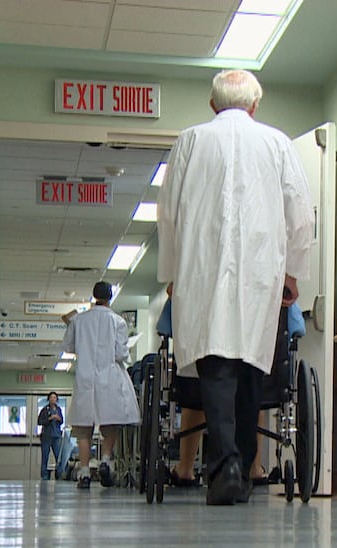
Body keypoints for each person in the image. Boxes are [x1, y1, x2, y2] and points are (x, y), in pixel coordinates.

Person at [157, 68, 313, 505]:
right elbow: (300, 214)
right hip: (260, 272)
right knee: (251, 367)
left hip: (203, 271)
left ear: (212, 104)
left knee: (216, 365)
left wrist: (172, 272)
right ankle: (241, 466)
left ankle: (225, 464)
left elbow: (168, 212)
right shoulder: (278, 143)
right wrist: (293, 272)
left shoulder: (190, 140)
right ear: (255, 104)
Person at [63, 281, 141, 489]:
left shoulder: (78, 320)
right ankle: (105, 460)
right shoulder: (118, 322)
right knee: (110, 424)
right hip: (109, 378)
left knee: (83, 429)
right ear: (110, 297)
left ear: (94, 296)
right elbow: (120, 353)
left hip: (85, 378)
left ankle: (84, 473)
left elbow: (68, 347)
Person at [36, 391, 65, 481]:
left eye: (54, 398)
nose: (53, 399)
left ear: (57, 399)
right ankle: (44, 475)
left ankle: (59, 474)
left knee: (58, 457)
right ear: (48, 399)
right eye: (51, 397)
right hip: (46, 436)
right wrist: (50, 418)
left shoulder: (58, 409)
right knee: (45, 456)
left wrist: (58, 418)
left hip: (56, 436)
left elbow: (62, 421)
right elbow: (39, 421)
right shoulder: (45, 409)